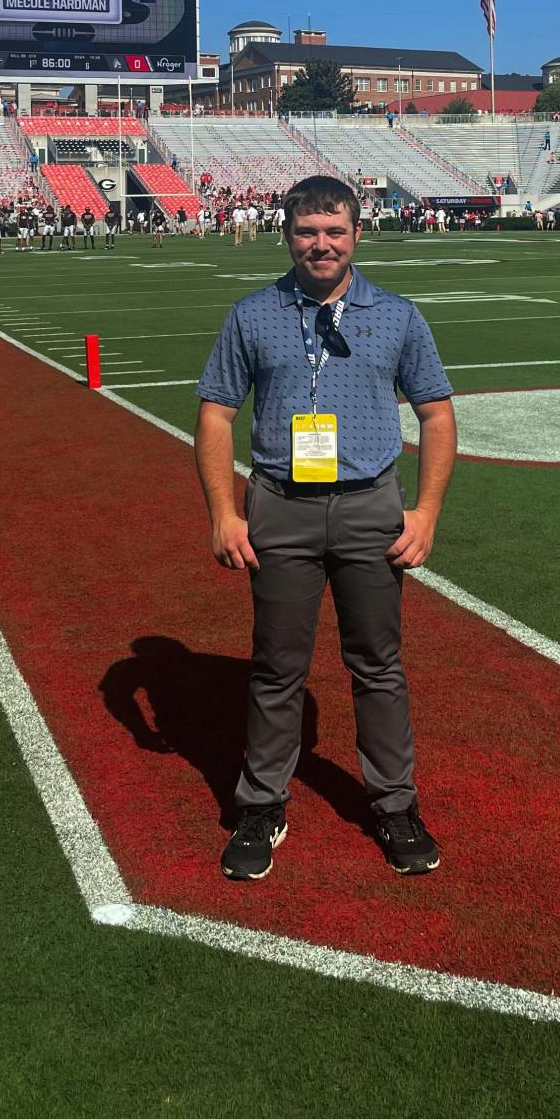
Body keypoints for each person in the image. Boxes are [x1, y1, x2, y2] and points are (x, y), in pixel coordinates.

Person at [195, 174, 457, 883]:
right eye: (308, 232)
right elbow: (216, 412)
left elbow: (437, 414)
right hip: (280, 502)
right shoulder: (252, 314)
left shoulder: (398, 315)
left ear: (356, 235)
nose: (321, 244)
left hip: (372, 504)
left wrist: (426, 511)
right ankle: (262, 803)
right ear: (287, 236)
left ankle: (394, 804)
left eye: (334, 231)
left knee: (377, 663)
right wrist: (224, 511)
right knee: (277, 666)